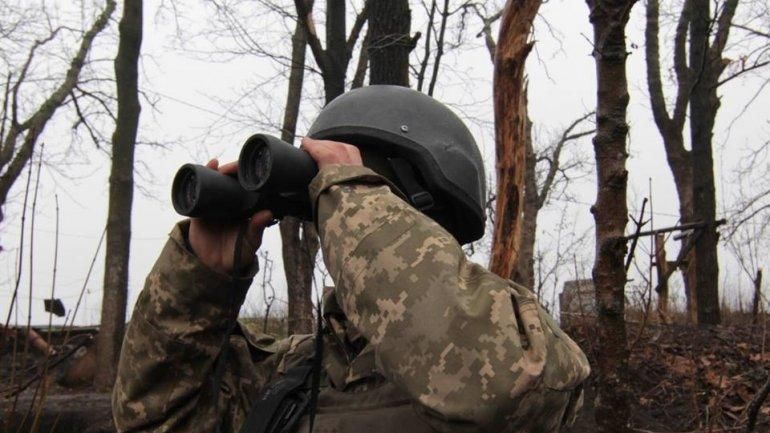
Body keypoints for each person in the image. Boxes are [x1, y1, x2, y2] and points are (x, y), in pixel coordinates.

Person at [113, 86, 590, 433]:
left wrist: (353, 196)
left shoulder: (525, 349)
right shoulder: (290, 371)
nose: (336, 210)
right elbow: (153, 418)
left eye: (353, 191)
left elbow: (502, 388)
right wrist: (199, 281)